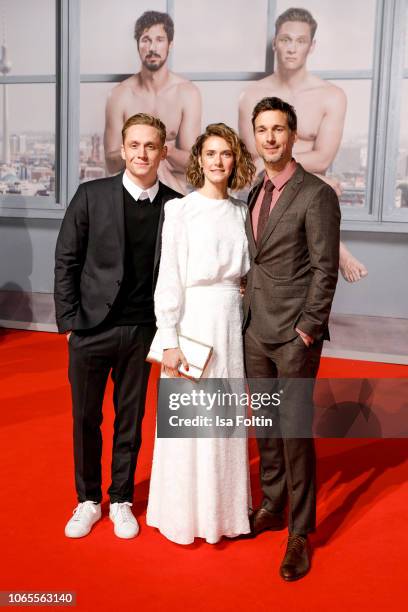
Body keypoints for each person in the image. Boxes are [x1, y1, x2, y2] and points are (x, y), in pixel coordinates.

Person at [55, 113, 181, 539]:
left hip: (143, 332)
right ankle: (88, 500)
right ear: (122, 149)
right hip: (90, 329)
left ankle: (121, 499)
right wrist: (70, 324)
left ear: (163, 152)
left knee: (130, 419)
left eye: (151, 146)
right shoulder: (90, 196)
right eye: (134, 145)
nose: (141, 153)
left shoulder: (175, 206)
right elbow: (67, 259)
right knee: (85, 418)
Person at [243, 97, 340, 581]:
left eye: (279, 129)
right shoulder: (255, 190)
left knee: (295, 435)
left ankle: (299, 533)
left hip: (293, 337)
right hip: (255, 331)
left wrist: (307, 329)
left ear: (293, 134)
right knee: (266, 427)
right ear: (256, 136)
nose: (271, 138)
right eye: (263, 130)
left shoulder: (316, 193)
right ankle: (272, 503)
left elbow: (325, 269)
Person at [146, 123, 256, 544]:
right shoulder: (181, 211)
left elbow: (247, 275)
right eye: (210, 153)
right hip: (192, 319)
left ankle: (222, 514)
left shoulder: (242, 212)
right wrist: (169, 337)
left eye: (225, 154)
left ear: (235, 161)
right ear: (198, 160)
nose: (218, 161)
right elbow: (169, 277)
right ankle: (183, 514)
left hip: (229, 323)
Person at [239, 6, 366, 283]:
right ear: (275, 43)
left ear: (312, 46)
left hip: (300, 180)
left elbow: (322, 157)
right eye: (285, 40)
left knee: (316, 182)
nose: (292, 48)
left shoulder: (331, 95)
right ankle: (338, 248)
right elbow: (255, 159)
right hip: (266, 182)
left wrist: (276, 159)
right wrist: (300, 160)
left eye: (300, 41)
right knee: (320, 184)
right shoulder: (251, 95)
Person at [104, 10, 201, 194]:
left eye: (159, 40)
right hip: (131, 194)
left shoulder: (187, 93)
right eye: (146, 40)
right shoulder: (119, 95)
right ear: (138, 45)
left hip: (173, 195)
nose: (152, 48)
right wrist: (143, 152)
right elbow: (111, 162)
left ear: (170, 45)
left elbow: (193, 163)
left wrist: (165, 151)